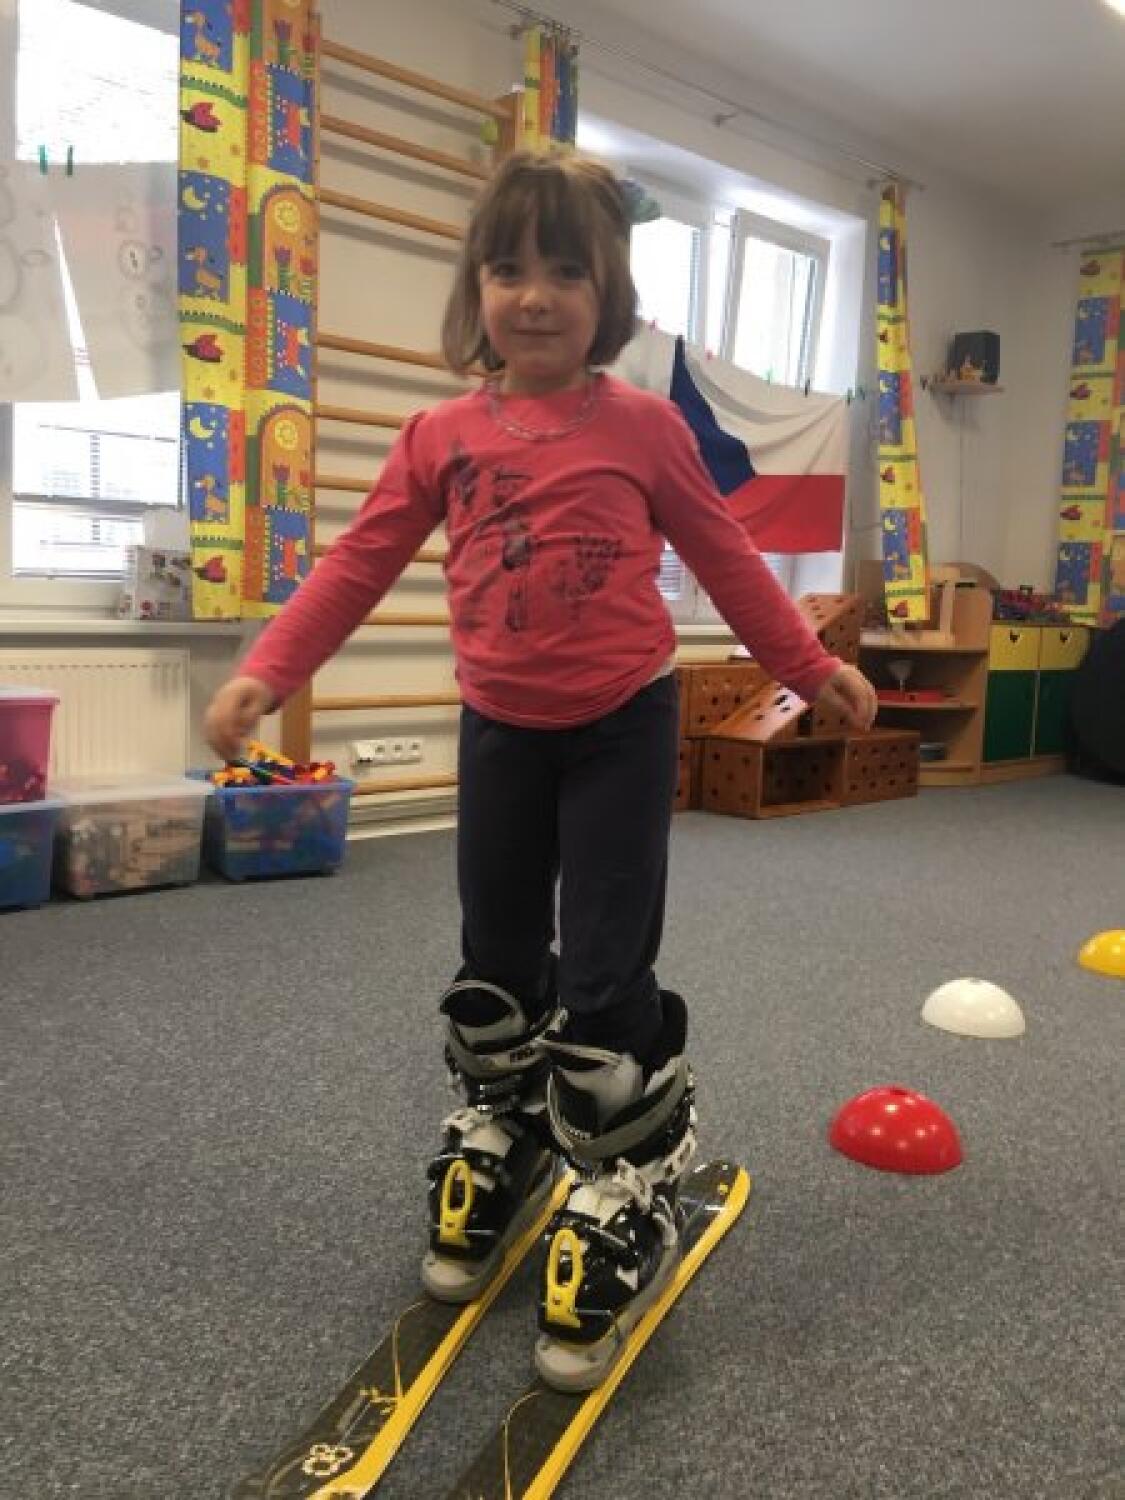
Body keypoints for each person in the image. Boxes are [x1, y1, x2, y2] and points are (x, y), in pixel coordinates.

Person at [204, 150, 877, 1391]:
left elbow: (726, 558)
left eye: (566, 270)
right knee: (498, 953)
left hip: (624, 724)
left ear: (606, 293)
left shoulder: (646, 428)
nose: (534, 294)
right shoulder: (441, 434)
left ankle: (625, 1172)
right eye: (508, 268)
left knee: (608, 962)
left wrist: (806, 663)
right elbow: (356, 563)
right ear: (476, 287)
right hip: (501, 728)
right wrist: (268, 669)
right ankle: (507, 1126)